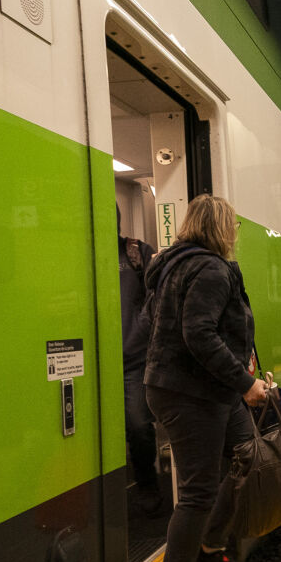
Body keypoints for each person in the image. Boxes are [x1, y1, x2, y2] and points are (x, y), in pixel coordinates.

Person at [142, 194, 270, 562]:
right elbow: (198, 333)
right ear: (221, 228)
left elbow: (152, 322)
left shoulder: (172, 265)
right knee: (198, 490)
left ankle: (211, 549)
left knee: (246, 453)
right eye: (232, 225)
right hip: (190, 392)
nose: (235, 232)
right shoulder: (211, 269)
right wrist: (246, 382)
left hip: (200, 388)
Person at [117, 209, 163, 515]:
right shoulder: (75, 251)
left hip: (131, 359)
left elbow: (156, 298)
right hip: (87, 364)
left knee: (138, 425)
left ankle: (148, 486)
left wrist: (138, 334)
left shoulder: (136, 253)